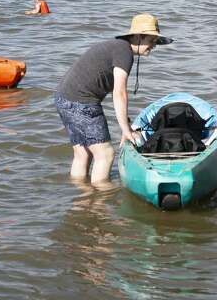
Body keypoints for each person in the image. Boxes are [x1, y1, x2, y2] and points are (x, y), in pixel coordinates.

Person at [53, 14, 171, 184]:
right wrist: (126, 130)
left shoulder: (117, 48)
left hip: (63, 97)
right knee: (105, 154)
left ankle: (82, 199)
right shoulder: (124, 52)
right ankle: (101, 201)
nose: (154, 46)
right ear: (138, 36)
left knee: (83, 153)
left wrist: (127, 125)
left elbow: (116, 93)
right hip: (81, 101)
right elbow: (119, 92)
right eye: (152, 40)